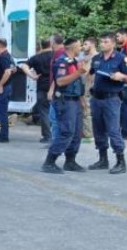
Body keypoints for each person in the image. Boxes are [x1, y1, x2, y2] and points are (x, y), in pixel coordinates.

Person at [88, 32, 127, 174]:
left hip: (111, 99)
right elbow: (90, 73)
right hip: (96, 98)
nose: (103, 44)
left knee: (113, 130)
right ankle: (103, 160)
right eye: (101, 41)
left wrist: (122, 76)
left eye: (106, 42)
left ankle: (121, 162)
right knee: (98, 129)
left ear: (113, 44)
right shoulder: (96, 58)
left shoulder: (121, 58)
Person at [42, 37, 87, 173]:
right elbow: (60, 81)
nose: (81, 48)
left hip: (75, 101)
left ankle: (70, 161)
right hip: (65, 101)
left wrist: (82, 101)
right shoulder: (61, 62)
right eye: (79, 46)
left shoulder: (74, 62)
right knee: (66, 132)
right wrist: (79, 72)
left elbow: (78, 84)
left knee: (76, 132)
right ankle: (49, 162)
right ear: (73, 48)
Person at [20, 39, 52, 142]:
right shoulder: (56, 56)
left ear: (41, 46)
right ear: (51, 45)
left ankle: (47, 136)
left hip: (42, 87)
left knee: (44, 111)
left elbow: (24, 66)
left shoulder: (36, 58)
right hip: (56, 86)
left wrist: (32, 76)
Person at [0, 38, 16, 142]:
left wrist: (0, 85)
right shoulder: (8, 56)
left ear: (0, 45)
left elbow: (7, 72)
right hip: (7, 88)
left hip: (3, 89)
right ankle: (2, 134)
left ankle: (4, 136)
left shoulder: (3, 57)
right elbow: (14, 69)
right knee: (2, 111)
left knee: (1, 112)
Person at [78, 37, 98, 140]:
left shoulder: (97, 57)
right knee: (83, 108)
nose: (83, 46)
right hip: (82, 84)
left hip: (89, 85)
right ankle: (85, 131)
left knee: (87, 108)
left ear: (92, 45)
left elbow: (92, 74)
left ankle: (88, 134)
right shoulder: (83, 56)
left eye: (86, 44)